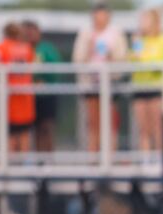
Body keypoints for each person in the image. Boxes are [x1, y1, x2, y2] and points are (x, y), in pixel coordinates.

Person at [72, 1, 127, 152]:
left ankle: (110, 156)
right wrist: (88, 51)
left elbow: (122, 57)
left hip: (110, 82)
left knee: (110, 122)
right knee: (93, 123)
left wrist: (112, 58)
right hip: (90, 83)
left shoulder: (116, 33)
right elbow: (78, 58)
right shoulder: (85, 33)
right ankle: (93, 157)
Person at [129, 8, 163, 156]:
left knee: (157, 127)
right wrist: (137, 50)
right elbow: (133, 60)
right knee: (143, 129)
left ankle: (161, 160)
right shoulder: (139, 40)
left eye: (145, 20)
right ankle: (145, 161)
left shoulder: (162, 40)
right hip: (140, 88)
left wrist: (144, 59)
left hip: (156, 88)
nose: (142, 23)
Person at [0, 22, 35, 153]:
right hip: (26, 97)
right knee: (24, 134)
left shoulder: (1, 47)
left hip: (9, 97)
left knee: (10, 134)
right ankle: (23, 164)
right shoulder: (27, 48)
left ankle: (10, 163)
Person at [22, 20, 62, 152]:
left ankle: (47, 161)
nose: (29, 35)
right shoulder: (20, 49)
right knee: (25, 131)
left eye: (32, 31)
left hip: (46, 96)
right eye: (26, 32)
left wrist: (43, 79)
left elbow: (56, 68)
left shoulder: (47, 49)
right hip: (26, 97)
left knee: (46, 128)